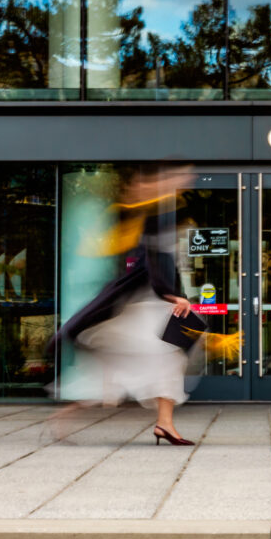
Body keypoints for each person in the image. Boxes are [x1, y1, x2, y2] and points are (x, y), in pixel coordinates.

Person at [49, 166, 197, 445]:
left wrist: (173, 294)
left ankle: (165, 425)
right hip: (139, 309)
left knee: (166, 362)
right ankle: (69, 414)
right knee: (144, 366)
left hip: (150, 306)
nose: (185, 180)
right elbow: (146, 264)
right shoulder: (138, 214)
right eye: (180, 176)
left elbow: (159, 263)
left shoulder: (158, 213)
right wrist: (171, 295)